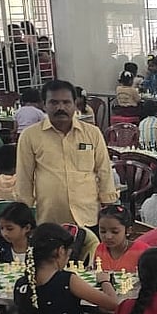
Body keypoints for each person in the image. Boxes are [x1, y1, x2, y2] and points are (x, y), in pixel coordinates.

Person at [17, 80, 119, 226]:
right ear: (44, 105)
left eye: (66, 102)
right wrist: (24, 212)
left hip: (88, 216)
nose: (61, 108)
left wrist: (109, 206)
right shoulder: (29, 136)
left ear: (75, 104)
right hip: (50, 218)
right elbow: (24, 177)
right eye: (54, 102)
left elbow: (104, 171)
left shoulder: (92, 133)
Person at [94, 204, 149, 272]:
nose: (108, 236)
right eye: (103, 231)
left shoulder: (142, 251)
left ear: (128, 230)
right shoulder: (100, 249)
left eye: (115, 232)